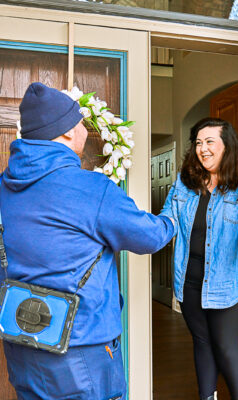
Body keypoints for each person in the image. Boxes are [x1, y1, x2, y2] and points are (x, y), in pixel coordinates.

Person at [0, 82, 175, 400]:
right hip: (80, 350)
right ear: (66, 132)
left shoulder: (3, 185)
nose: (84, 128)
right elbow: (150, 237)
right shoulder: (91, 189)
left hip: (21, 340)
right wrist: (172, 219)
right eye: (80, 122)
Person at [160, 117, 238, 400]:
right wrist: (144, 231)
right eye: (199, 143)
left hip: (229, 280)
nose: (202, 149)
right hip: (189, 279)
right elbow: (168, 218)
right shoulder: (185, 182)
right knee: (202, 342)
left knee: (225, 345)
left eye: (210, 142)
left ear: (227, 146)